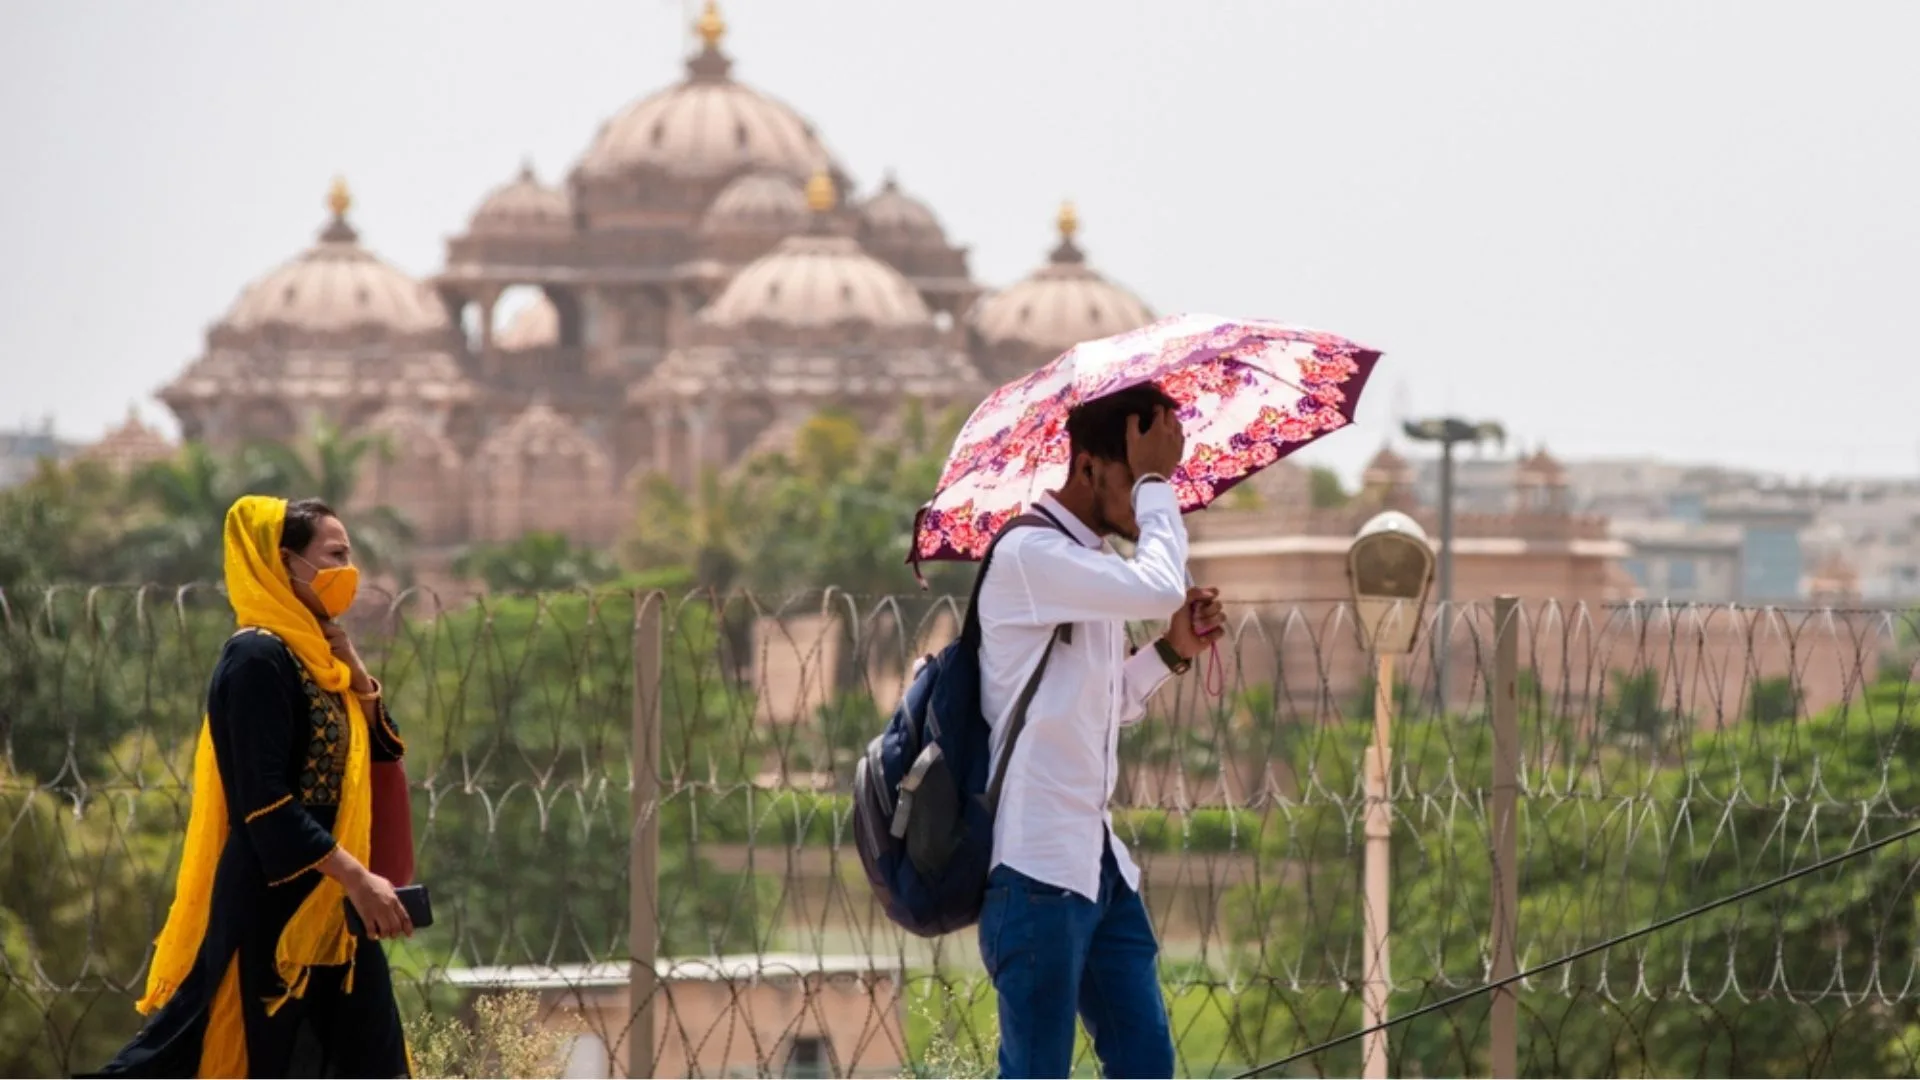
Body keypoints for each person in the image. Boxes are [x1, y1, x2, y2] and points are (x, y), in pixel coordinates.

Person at [87, 496, 414, 1078]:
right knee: (233, 1055)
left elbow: (382, 753)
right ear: (285, 563)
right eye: (335, 555)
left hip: (333, 912)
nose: (349, 569)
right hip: (272, 908)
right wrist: (358, 877)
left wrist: (359, 679)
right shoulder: (257, 658)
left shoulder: (323, 662)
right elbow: (264, 804)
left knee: (372, 1061)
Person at [974, 382, 1226, 1078]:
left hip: (1097, 865)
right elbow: (1156, 588)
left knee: (1146, 1065)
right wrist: (1154, 482)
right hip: (1037, 868)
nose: (1150, 499)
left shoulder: (1086, 566)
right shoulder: (1031, 557)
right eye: (1138, 473)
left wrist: (1172, 651)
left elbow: (1098, 701)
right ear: (1088, 467)